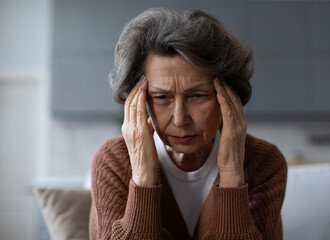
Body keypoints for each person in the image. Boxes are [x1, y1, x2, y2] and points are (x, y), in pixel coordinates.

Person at [89, 8, 287, 240]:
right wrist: (142, 177)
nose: (180, 118)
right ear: (139, 100)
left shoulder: (263, 163)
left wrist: (233, 175)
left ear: (229, 95)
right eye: (162, 98)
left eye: (198, 96)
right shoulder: (113, 162)